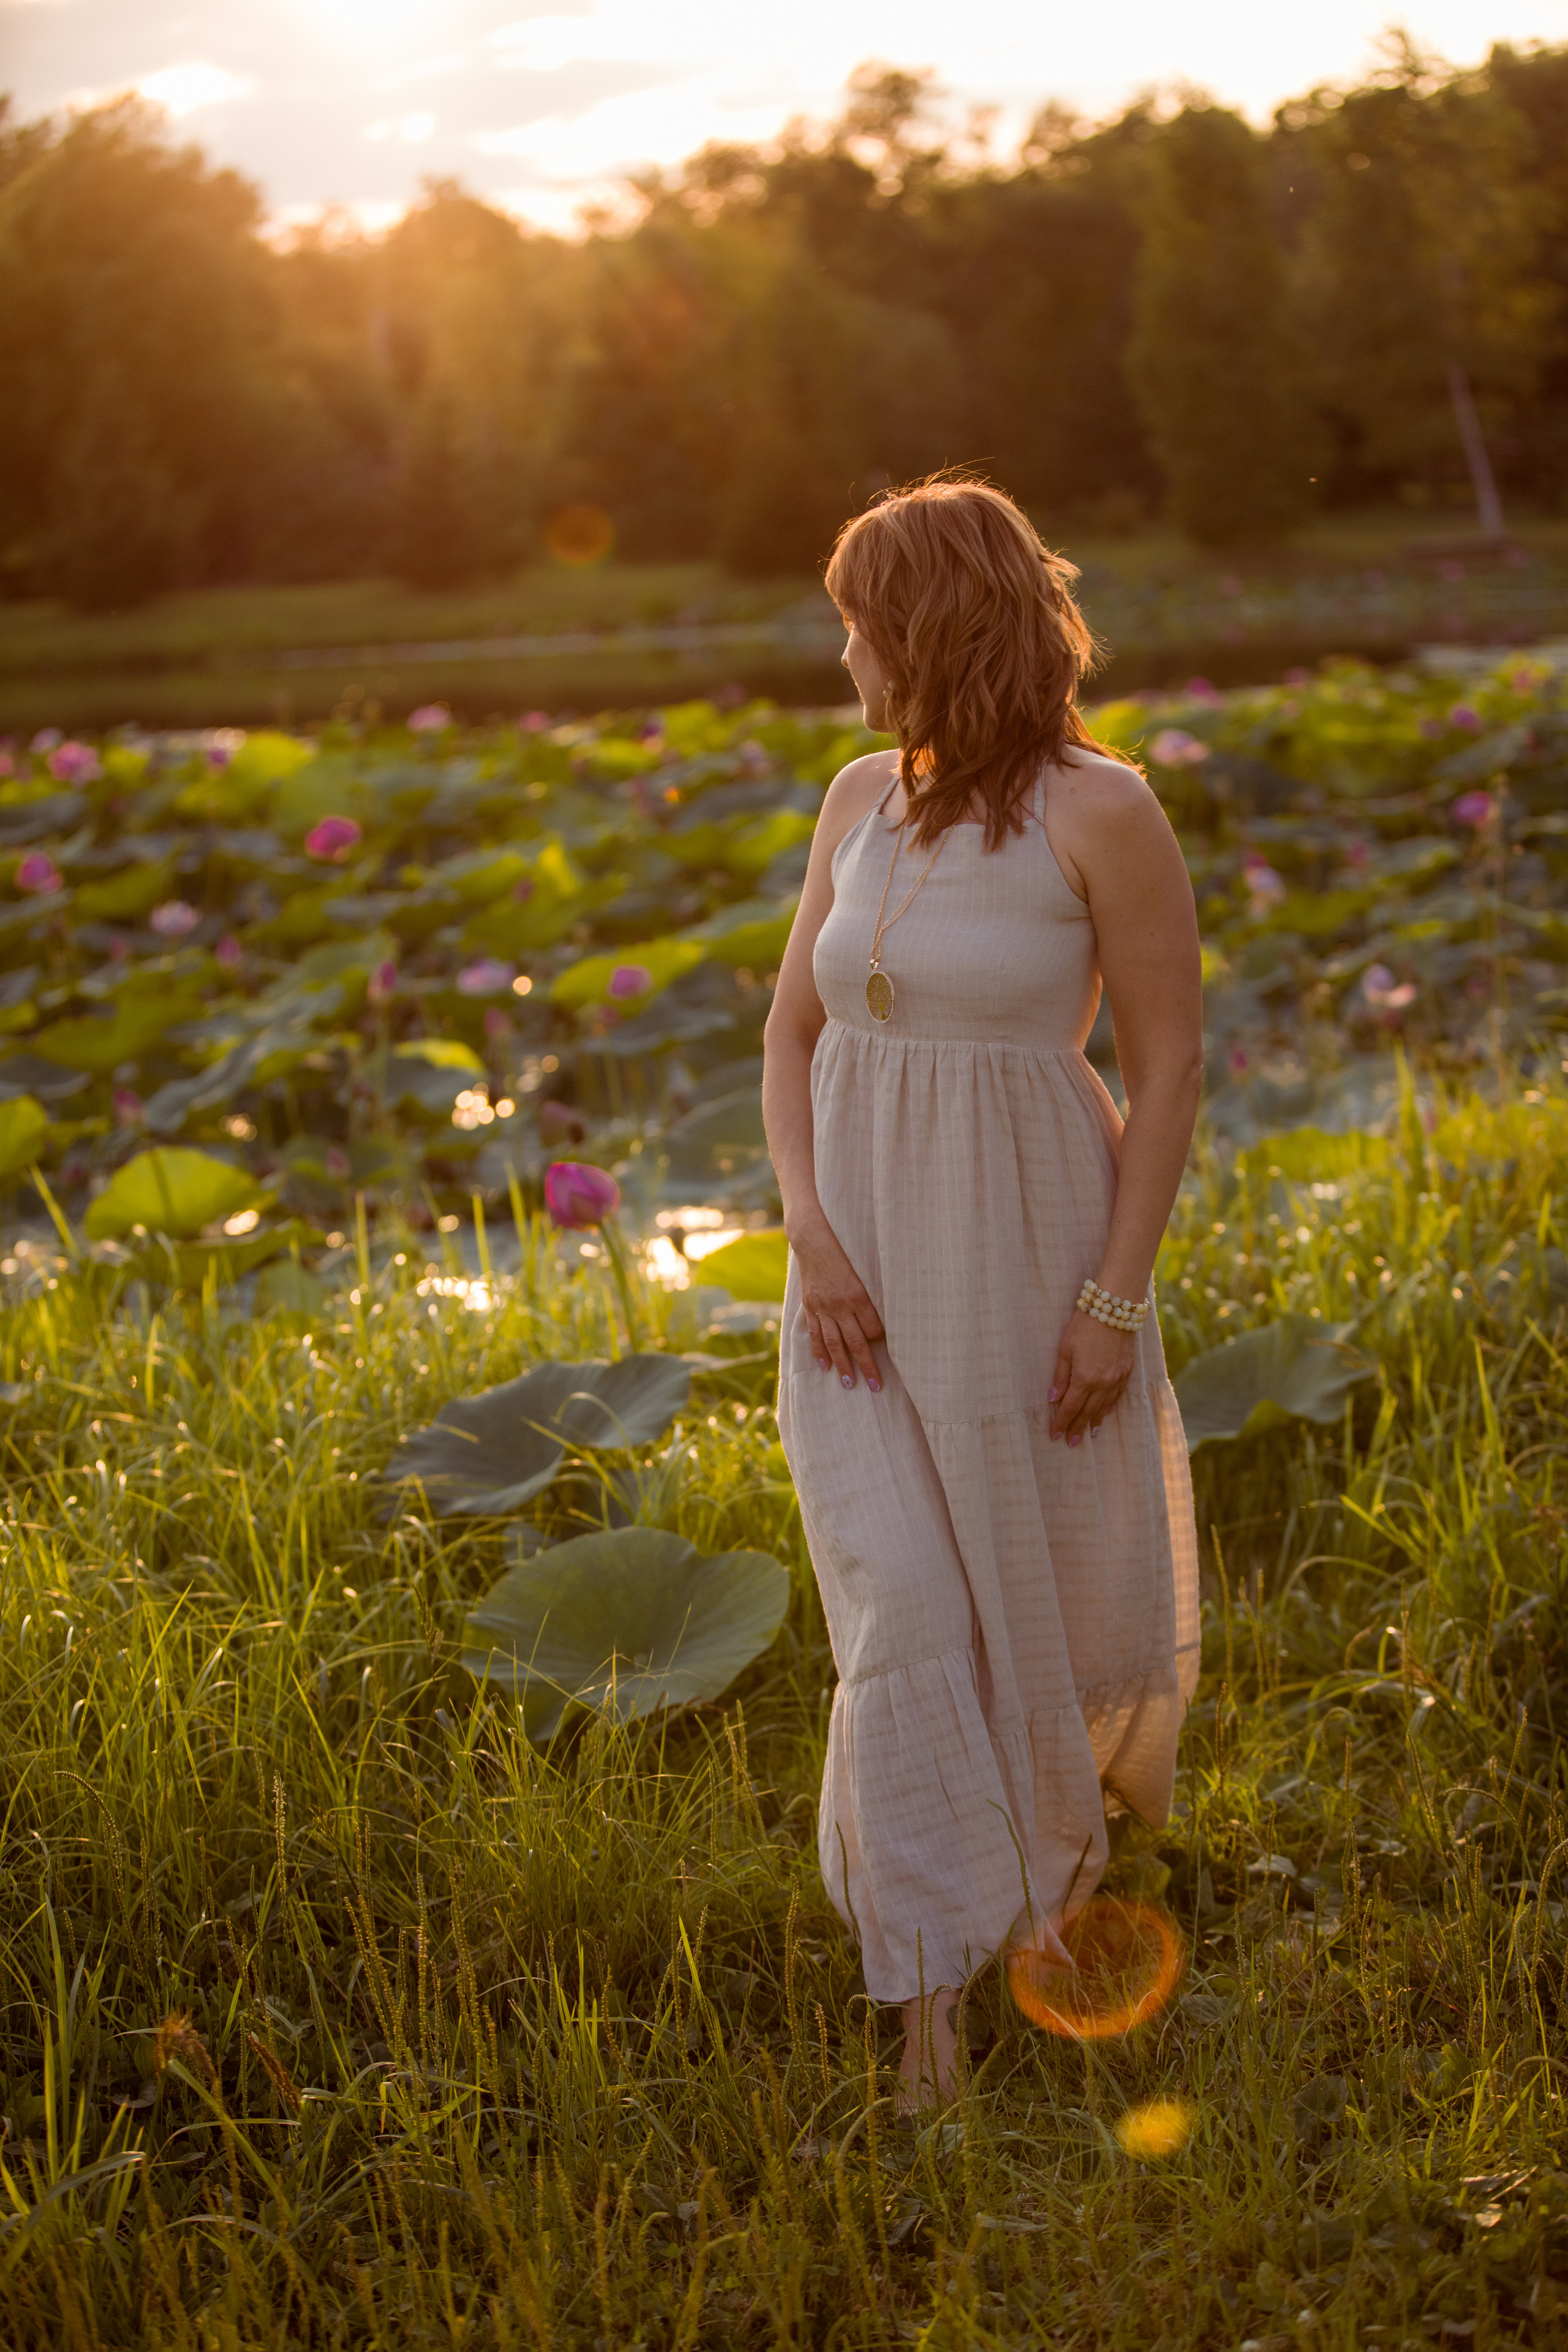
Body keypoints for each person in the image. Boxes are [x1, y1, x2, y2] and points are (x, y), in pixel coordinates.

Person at [761, 479, 1203, 2109]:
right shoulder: (854, 798)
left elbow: (1165, 1074)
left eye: (863, 620)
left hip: (1025, 1251)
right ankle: (929, 2014)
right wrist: (809, 1228)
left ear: (933, 630)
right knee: (904, 1612)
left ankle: (1047, 1906)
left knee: (1027, 1611)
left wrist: (1115, 1302)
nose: (847, 650)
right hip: (855, 1276)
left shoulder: (1104, 812)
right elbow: (793, 1032)